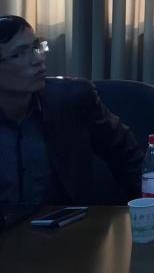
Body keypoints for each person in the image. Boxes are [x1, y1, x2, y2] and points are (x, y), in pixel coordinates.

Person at [0, 15, 143, 205]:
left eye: (36, 47)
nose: (38, 59)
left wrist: (148, 210)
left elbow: (127, 154)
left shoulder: (72, 100)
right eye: (19, 54)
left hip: (65, 222)